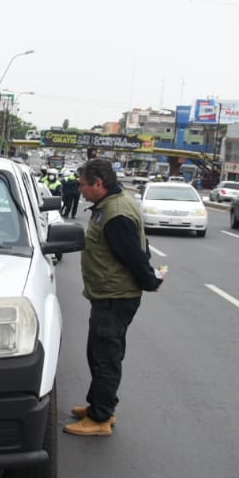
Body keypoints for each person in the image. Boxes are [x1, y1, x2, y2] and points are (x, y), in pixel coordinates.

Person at [66, 158, 164, 437]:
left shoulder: (116, 213)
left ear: (99, 183)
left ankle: (100, 418)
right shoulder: (112, 205)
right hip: (108, 294)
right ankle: (100, 406)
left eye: (83, 185)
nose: (80, 189)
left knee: (105, 357)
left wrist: (150, 280)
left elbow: (134, 255)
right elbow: (142, 247)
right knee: (99, 353)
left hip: (114, 296)